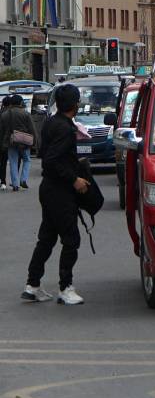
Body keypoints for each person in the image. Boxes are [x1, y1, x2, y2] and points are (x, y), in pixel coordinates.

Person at [22, 84, 89, 305]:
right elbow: (52, 160)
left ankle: (32, 286)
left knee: (47, 238)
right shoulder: (64, 128)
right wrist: (74, 178)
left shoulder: (52, 123)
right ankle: (65, 288)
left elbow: (47, 155)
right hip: (60, 191)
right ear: (75, 104)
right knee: (71, 240)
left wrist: (73, 164)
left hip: (48, 188)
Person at [1, 94, 36, 191]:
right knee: (27, 160)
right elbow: (32, 129)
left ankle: (15, 184)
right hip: (24, 141)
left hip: (10, 141)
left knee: (13, 162)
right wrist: (34, 142)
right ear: (20, 103)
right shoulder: (25, 114)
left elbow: (2, 130)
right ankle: (23, 179)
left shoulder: (4, 115)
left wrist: (3, 143)